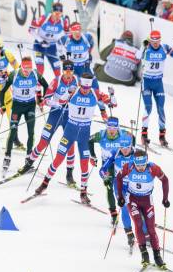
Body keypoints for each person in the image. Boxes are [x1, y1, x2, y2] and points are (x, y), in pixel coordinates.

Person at [33, 73, 113, 203]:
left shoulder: (94, 92)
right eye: (83, 87)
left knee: (84, 164)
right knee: (58, 158)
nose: (85, 90)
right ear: (80, 84)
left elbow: (110, 102)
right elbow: (60, 102)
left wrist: (112, 97)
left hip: (84, 134)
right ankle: (44, 184)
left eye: (87, 88)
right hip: (70, 131)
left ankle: (83, 192)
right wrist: (67, 94)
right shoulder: (74, 91)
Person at [17, 60, 79, 184]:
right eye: (66, 71)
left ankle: (69, 174)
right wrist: (57, 104)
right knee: (43, 142)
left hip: (69, 116)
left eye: (70, 71)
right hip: (55, 114)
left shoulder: (77, 82)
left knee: (70, 145)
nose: (68, 73)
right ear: (63, 71)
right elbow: (45, 100)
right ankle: (29, 163)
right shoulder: (56, 81)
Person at [116, 149, 170, 268]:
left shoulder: (153, 168)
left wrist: (165, 199)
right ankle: (144, 254)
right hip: (132, 200)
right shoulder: (128, 166)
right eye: (138, 165)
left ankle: (157, 256)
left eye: (143, 165)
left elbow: (165, 180)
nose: (140, 168)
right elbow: (118, 178)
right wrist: (120, 196)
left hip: (147, 201)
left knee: (151, 229)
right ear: (134, 163)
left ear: (147, 162)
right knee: (138, 223)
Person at [0, 56, 48, 174]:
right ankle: (7, 157)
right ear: (21, 67)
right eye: (26, 69)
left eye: (30, 69)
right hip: (17, 106)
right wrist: (2, 106)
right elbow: (2, 90)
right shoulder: (14, 75)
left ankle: (28, 159)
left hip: (30, 106)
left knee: (31, 132)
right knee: (13, 130)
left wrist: (43, 99)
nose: (27, 72)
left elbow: (46, 85)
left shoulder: (35, 74)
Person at [136, 30, 173, 146]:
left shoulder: (164, 47)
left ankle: (162, 135)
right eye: (153, 41)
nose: (155, 43)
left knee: (161, 108)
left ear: (160, 40)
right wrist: (143, 45)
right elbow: (137, 56)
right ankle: (144, 134)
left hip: (158, 83)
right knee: (148, 107)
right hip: (146, 82)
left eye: (157, 41)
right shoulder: (146, 49)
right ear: (150, 40)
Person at [89, 117, 135, 223]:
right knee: (109, 187)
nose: (112, 130)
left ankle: (134, 209)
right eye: (109, 127)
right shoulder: (101, 134)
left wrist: (132, 150)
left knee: (126, 186)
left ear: (118, 127)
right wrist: (93, 156)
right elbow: (89, 140)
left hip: (120, 163)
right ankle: (114, 214)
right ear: (107, 127)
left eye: (114, 128)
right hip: (108, 164)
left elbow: (132, 137)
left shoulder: (123, 133)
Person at [63, 21, 108, 120]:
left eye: (79, 31)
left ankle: (103, 111)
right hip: (74, 69)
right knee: (75, 89)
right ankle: (69, 108)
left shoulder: (87, 37)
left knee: (96, 88)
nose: (78, 34)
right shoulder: (66, 40)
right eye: (75, 32)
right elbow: (62, 53)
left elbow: (90, 48)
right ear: (71, 32)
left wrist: (88, 58)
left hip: (85, 68)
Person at [99, 133, 138, 249]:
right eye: (122, 147)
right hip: (119, 184)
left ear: (131, 146)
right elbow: (102, 169)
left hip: (133, 184)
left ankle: (145, 234)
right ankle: (129, 234)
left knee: (138, 208)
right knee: (125, 207)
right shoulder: (115, 152)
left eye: (127, 148)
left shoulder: (137, 154)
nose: (124, 150)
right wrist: (105, 177)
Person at [29, 2, 68, 78]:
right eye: (56, 13)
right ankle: (37, 87)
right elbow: (31, 29)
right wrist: (40, 40)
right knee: (40, 70)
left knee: (58, 72)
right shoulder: (44, 18)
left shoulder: (64, 22)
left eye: (59, 14)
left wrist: (61, 53)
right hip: (39, 46)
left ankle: (56, 88)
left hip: (52, 48)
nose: (57, 16)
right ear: (52, 12)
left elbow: (66, 38)